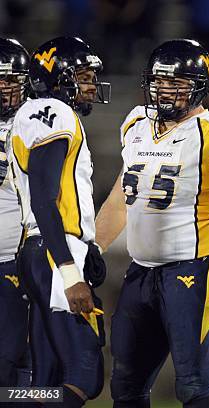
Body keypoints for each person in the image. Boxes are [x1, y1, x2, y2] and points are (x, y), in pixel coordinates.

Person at [94, 38, 209, 408]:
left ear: (199, 85)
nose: (165, 90)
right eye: (160, 81)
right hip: (142, 270)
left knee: (193, 384)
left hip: (195, 267)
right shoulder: (136, 124)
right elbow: (122, 199)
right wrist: (94, 247)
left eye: (177, 82)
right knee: (125, 385)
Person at [9, 36, 110, 407]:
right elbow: (43, 196)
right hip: (55, 253)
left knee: (44, 383)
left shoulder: (33, 114)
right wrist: (69, 271)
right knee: (85, 375)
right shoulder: (54, 111)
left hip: (42, 250)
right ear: (56, 79)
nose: (91, 86)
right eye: (83, 76)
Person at [0, 37, 29, 388]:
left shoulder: (37, 120)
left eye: (9, 79)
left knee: (13, 360)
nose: (1, 88)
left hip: (13, 258)